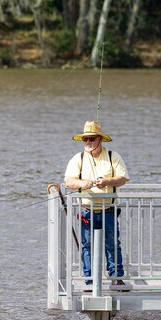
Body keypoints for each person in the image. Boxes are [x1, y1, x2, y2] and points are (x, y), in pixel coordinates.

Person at [64, 121, 130, 287]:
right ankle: (90, 280)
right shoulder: (77, 158)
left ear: (100, 139)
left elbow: (122, 178)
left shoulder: (113, 156)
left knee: (113, 244)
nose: (88, 142)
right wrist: (82, 184)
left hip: (108, 210)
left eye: (92, 138)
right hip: (87, 211)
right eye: (85, 139)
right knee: (87, 246)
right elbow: (68, 181)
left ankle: (116, 278)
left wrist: (107, 181)